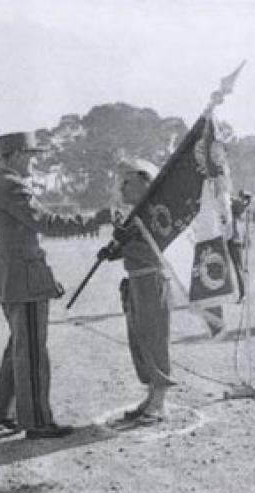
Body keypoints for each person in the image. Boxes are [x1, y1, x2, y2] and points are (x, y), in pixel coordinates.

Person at [0, 131, 73, 439]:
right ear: (18, 154)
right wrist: (93, 220)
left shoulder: (4, 183)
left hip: (19, 275)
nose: (35, 161)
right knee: (32, 351)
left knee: (19, 347)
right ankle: (36, 421)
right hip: (23, 278)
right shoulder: (13, 185)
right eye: (32, 155)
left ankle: (3, 413)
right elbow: (45, 223)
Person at [98, 158, 175, 426]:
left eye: (127, 182)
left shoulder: (157, 211)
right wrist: (115, 249)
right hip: (136, 281)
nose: (122, 189)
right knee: (139, 339)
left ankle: (160, 400)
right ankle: (151, 393)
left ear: (144, 182)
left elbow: (155, 246)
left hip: (152, 280)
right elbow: (131, 244)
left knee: (154, 338)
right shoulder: (135, 214)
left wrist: (125, 241)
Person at [227, 189, 251, 303]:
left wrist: (229, 198)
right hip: (230, 238)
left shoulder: (239, 207)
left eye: (243, 197)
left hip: (234, 239)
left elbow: (236, 204)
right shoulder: (240, 206)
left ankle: (243, 294)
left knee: (238, 268)